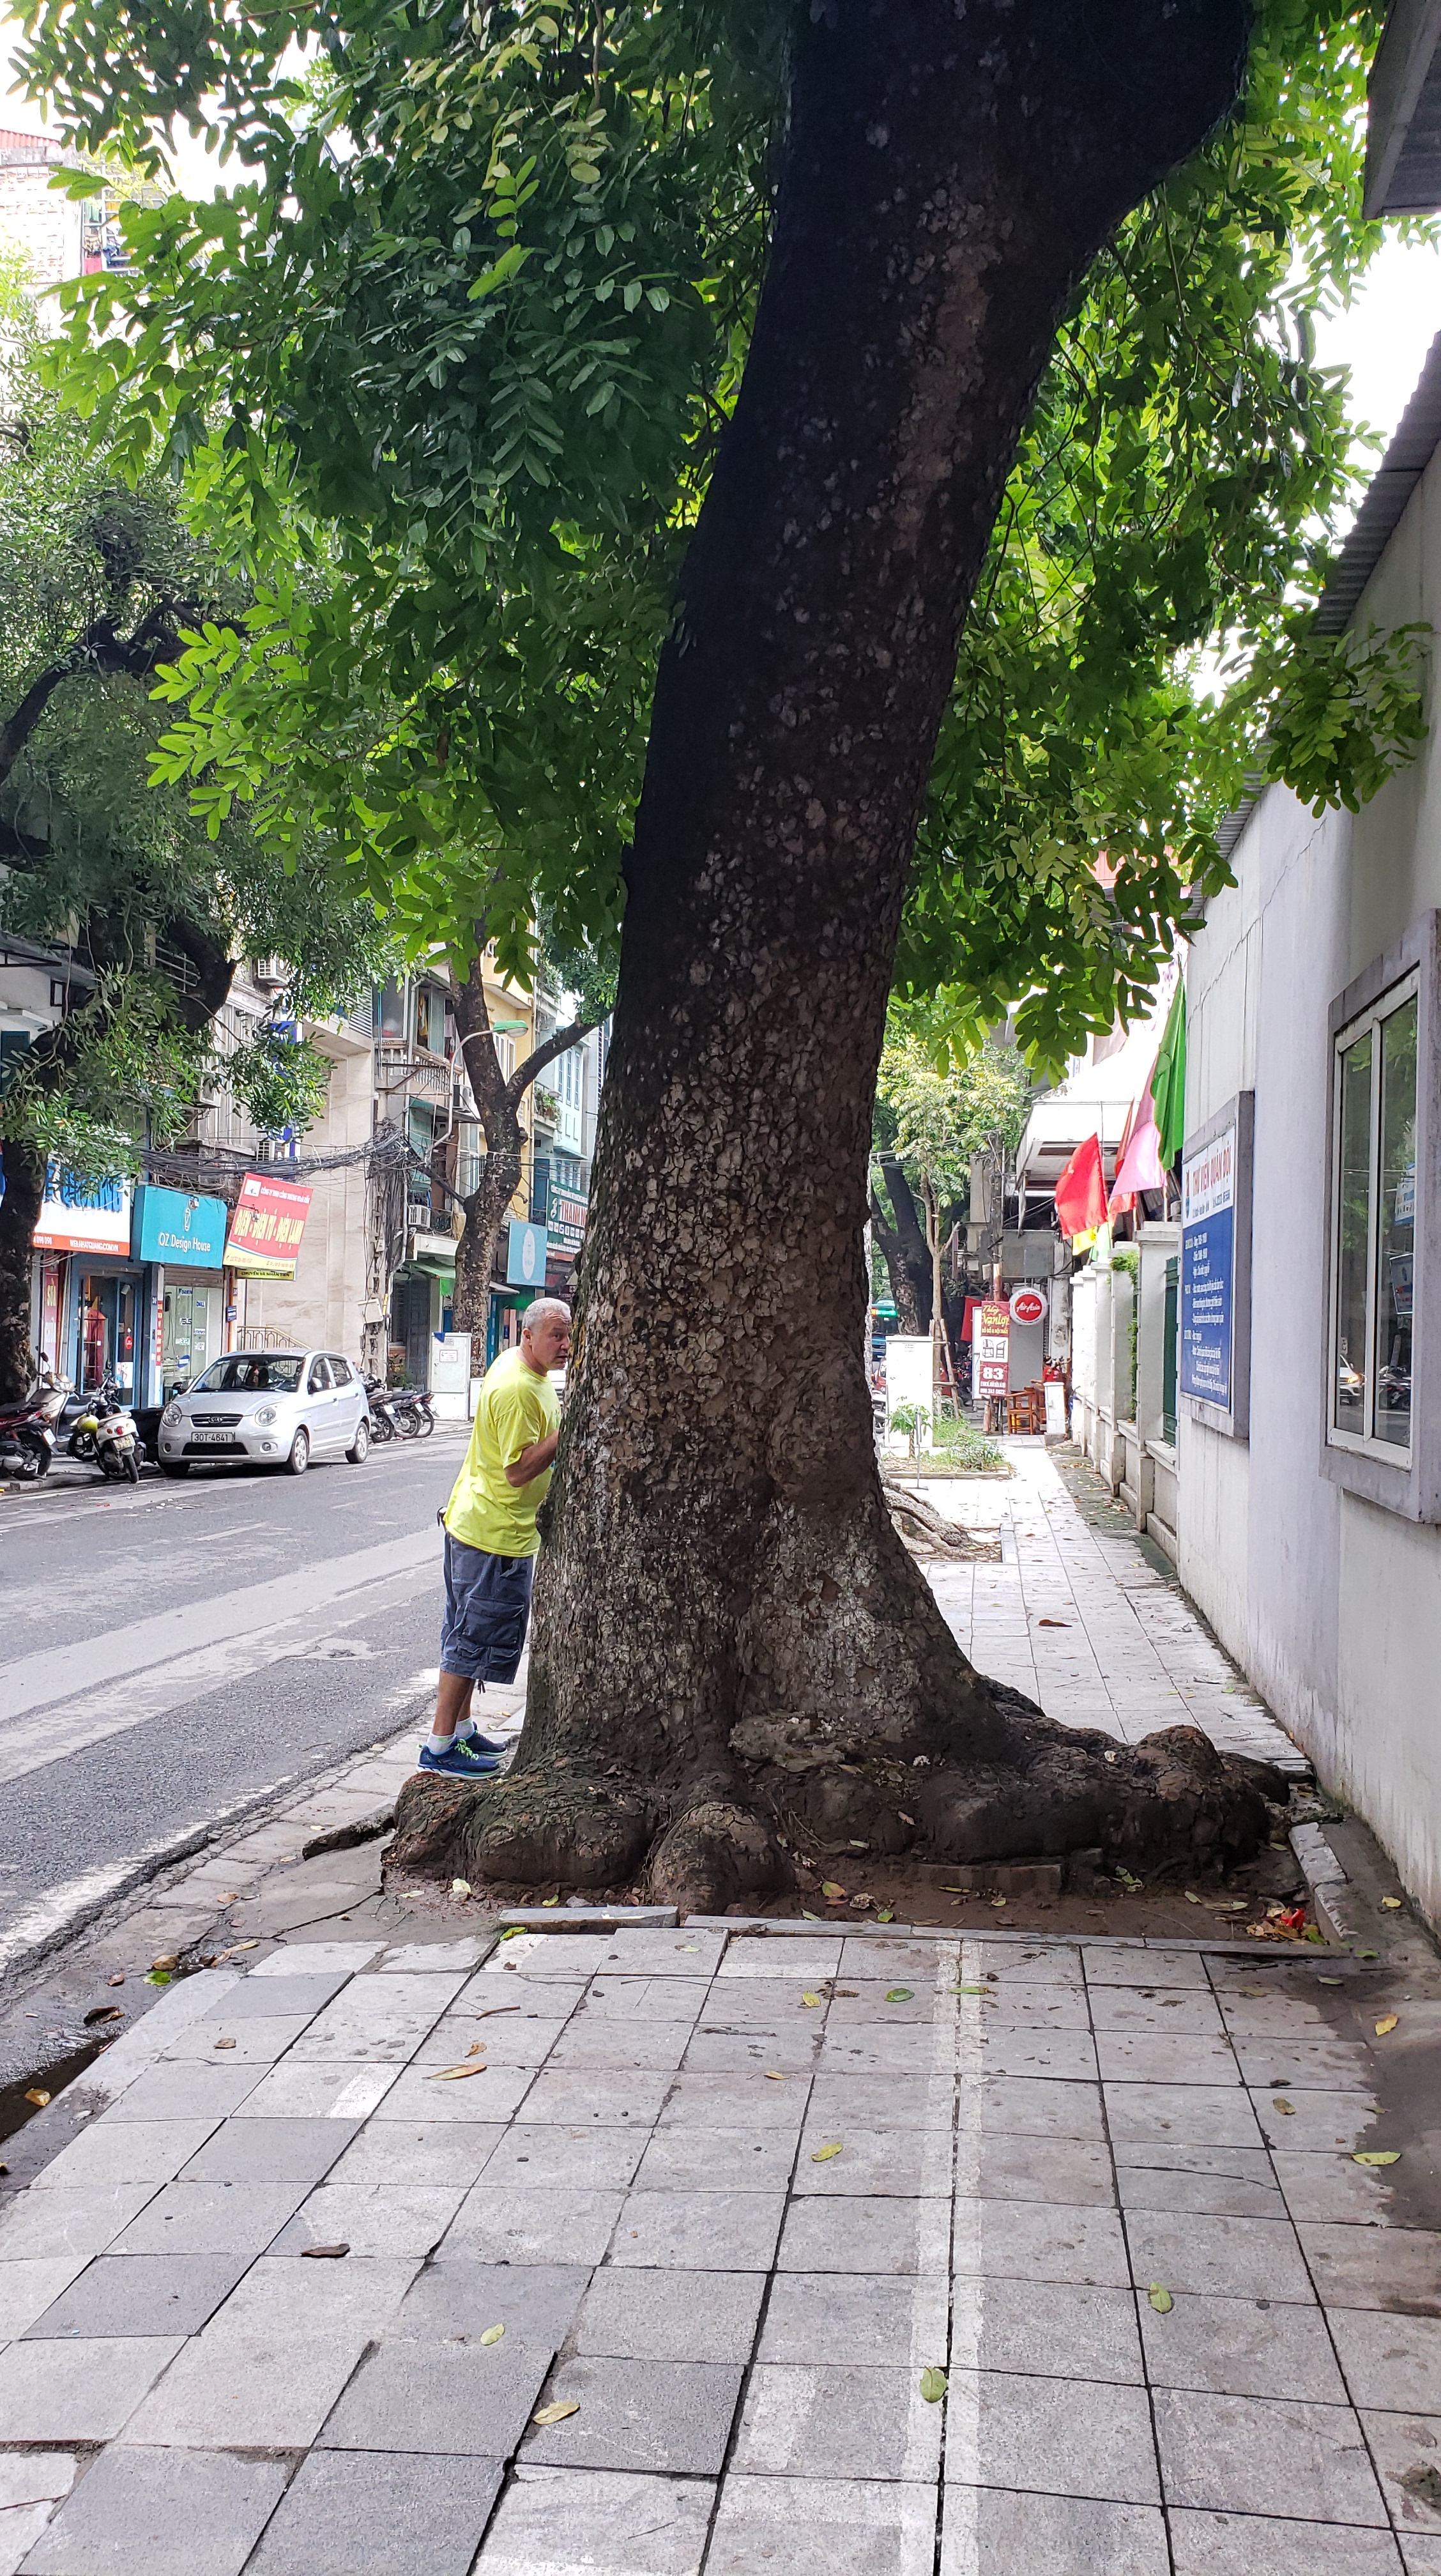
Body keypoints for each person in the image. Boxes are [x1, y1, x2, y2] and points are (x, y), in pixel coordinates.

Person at [418, 1296, 572, 1776]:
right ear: (527, 1335)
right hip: (493, 1535)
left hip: (484, 1526)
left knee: (467, 1631)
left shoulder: (524, 1369)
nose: (565, 1344)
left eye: (568, 1335)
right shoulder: (517, 1388)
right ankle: (440, 1745)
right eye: (555, 1335)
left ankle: (462, 1732)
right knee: (471, 1641)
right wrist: (568, 1427)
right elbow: (518, 1470)